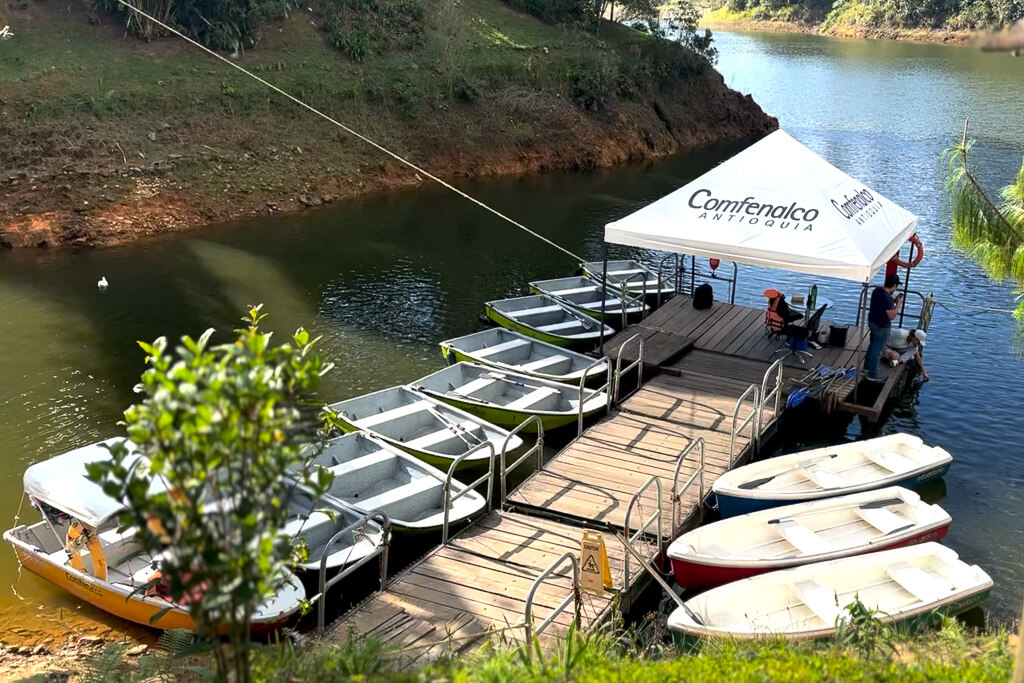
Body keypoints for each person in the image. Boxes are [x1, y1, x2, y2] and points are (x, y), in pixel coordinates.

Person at [864, 274, 903, 381]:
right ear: (894, 285)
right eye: (896, 286)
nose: (896, 289)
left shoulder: (877, 291)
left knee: (872, 345)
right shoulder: (888, 299)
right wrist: (898, 304)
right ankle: (872, 374)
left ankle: (866, 367)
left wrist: (893, 302)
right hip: (882, 327)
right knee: (878, 350)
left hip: (872, 322)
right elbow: (891, 316)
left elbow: (881, 306)